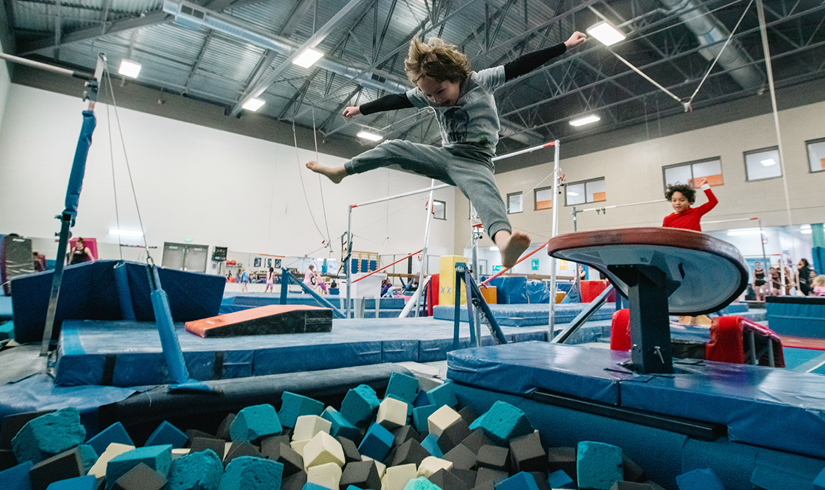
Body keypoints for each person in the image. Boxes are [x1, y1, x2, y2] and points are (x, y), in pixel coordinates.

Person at [306, 31, 588, 268]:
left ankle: (504, 244)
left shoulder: (480, 80)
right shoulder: (427, 94)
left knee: (485, 195)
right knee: (394, 147)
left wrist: (565, 45)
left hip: (476, 162)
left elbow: (521, 65)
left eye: (440, 92)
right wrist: (360, 109)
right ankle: (341, 171)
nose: (435, 100)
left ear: (456, 76)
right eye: (428, 95)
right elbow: (396, 100)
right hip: (445, 156)